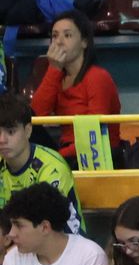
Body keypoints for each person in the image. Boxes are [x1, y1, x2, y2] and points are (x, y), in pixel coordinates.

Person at [29, 11, 119, 162]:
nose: (59, 42)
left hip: (100, 155)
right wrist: (54, 70)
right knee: (25, 128)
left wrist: (57, 157)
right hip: (67, 153)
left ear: (84, 42)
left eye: (67, 35)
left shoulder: (97, 77)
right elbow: (35, 117)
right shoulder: (57, 76)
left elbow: (94, 135)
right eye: (55, 36)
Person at [0, 95, 83, 234]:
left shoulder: (51, 168)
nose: (2, 140)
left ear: (28, 131)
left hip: (63, 246)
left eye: (11, 132)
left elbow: (48, 230)